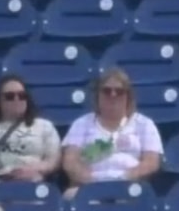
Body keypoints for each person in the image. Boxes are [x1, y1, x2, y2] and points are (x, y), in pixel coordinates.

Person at [59, 69, 163, 199]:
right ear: (97, 95)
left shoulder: (145, 124)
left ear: (128, 97)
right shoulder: (81, 124)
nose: (113, 95)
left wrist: (125, 178)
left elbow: (151, 162)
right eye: (106, 91)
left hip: (131, 186)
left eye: (119, 91)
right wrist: (93, 181)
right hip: (89, 186)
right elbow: (70, 162)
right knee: (69, 196)